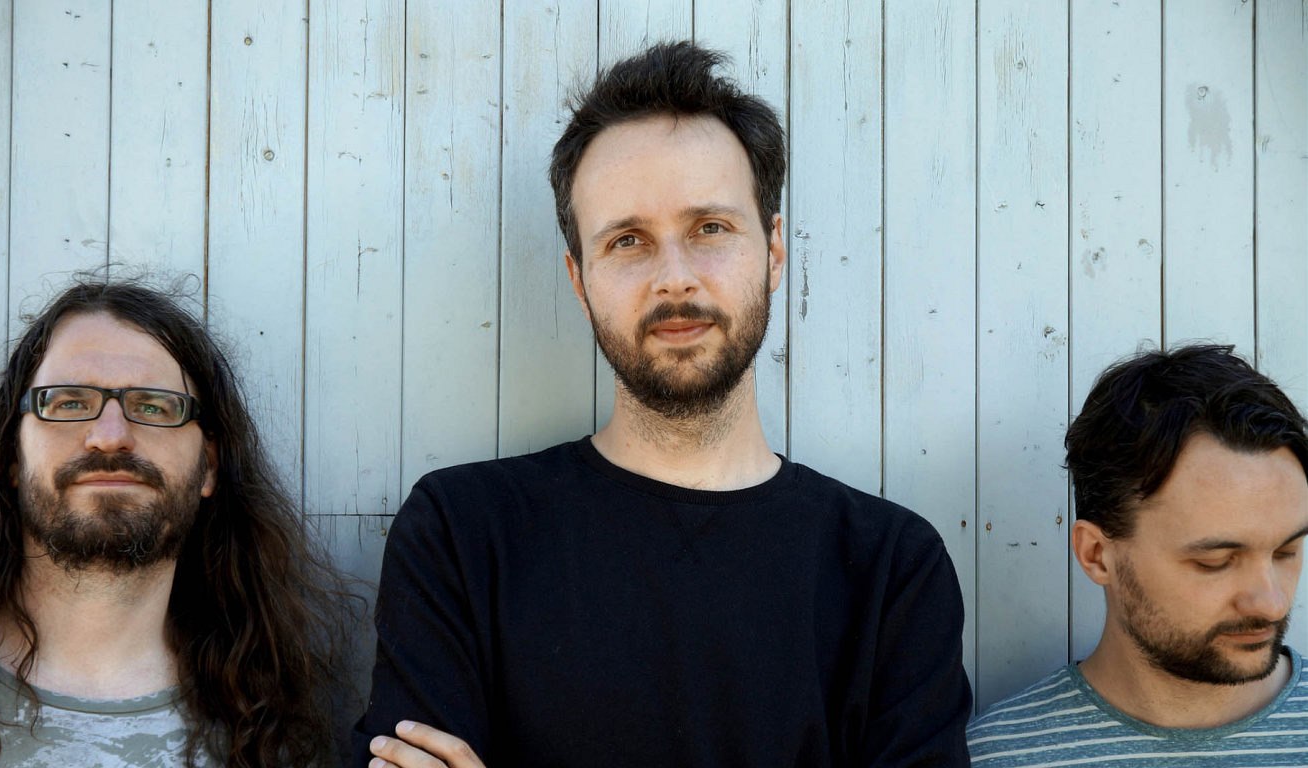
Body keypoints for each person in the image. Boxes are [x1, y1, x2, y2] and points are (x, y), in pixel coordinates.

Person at [358, 41, 972, 768]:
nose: (674, 278)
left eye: (710, 228)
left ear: (774, 250)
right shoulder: (463, 536)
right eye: (628, 241)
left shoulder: (890, 570)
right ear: (580, 280)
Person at [0, 280, 358, 767]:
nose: (110, 436)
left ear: (209, 466)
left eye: (154, 406)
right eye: (68, 403)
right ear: (13, 455)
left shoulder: (271, 724)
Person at [968, 344, 1308, 766]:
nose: (1272, 604)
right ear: (1096, 555)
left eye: (1286, 552)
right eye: (1215, 562)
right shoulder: (997, 756)